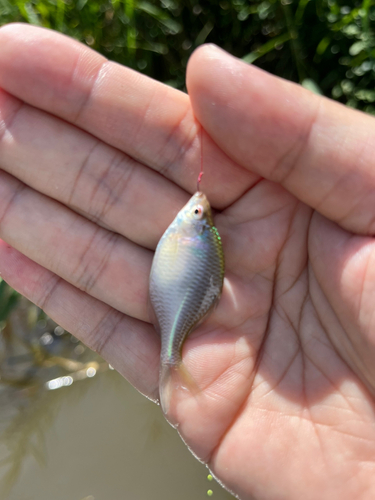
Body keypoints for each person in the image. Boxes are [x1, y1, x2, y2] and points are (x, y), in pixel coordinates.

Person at [0, 23, 374, 500]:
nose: (197, 208)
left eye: (199, 211)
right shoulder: (193, 232)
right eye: (200, 211)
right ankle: (170, 357)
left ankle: (170, 358)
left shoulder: (193, 231)